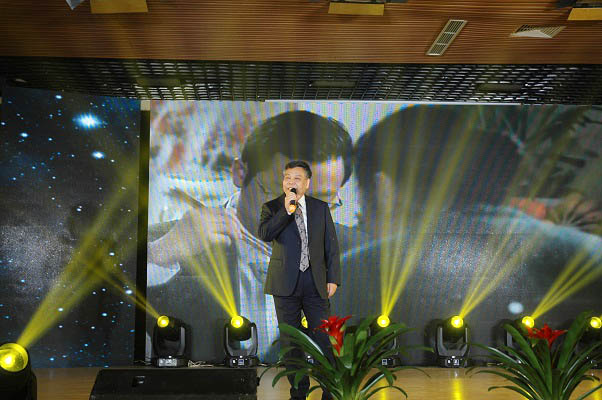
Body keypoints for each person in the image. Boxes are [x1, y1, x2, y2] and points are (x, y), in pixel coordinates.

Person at [147, 110, 353, 362]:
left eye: (321, 200)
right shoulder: (159, 246)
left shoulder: (363, 253)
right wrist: (160, 256)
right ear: (240, 173)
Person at [258, 160, 339, 400]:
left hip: (316, 283)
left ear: (307, 182)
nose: (291, 182)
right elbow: (265, 234)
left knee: (323, 338)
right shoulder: (272, 207)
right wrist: (286, 211)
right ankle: (298, 392)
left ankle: (330, 391)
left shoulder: (320, 208)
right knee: (291, 342)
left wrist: (333, 278)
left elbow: (331, 246)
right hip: (285, 284)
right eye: (287, 178)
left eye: (297, 178)